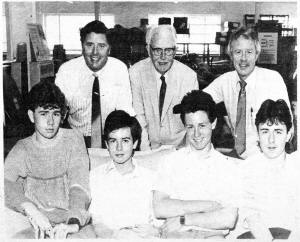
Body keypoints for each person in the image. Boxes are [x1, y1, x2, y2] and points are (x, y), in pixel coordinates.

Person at [4, 81, 91, 239]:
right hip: (34, 223)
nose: (50, 122)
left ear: (62, 115)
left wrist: (72, 223)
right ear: (32, 116)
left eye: (56, 113)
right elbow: (6, 184)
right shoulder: (22, 148)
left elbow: (79, 185)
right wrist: (30, 209)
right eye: (44, 113)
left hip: (72, 221)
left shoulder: (73, 140)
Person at [152, 90, 241, 239]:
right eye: (190, 127)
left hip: (211, 237)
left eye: (202, 126)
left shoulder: (228, 167)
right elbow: (160, 208)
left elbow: (228, 219)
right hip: (177, 236)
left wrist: (184, 219)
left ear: (213, 123)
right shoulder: (170, 161)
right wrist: (209, 205)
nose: (196, 134)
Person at [204, 26, 291, 159]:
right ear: (231, 55)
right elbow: (198, 100)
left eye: (249, 52)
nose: (243, 59)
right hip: (239, 156)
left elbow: (287, 126)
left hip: (267, 157)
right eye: (238, 52)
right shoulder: (225, 80)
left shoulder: (272, 80)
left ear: (257, 55)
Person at [55, 20, 134, 148]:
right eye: (89, 45)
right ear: (82, 46)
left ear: (109, 49)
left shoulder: (119, 69)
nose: (95, 52)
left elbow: (125, 114)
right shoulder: (66, 71)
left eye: (102, 46)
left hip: (111, 139)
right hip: (75, 139)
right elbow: (56, 113)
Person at [89, 110, 160, 238]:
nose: (119, 148)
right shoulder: (95, 176)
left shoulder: (150, 178)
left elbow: (158, 224)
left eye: (125, 140)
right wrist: (115, 235)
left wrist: (155, 232)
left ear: (135, 143)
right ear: (107, 144)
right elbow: (96, 222)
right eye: (113, 141)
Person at [238, 99, 300, 241]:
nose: (271, 140)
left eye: (278, 132)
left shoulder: (297, 165)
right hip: (258, 237)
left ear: (289, 134)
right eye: (265, 131)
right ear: (258, 134)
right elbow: (250, 215)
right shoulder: (247, 169)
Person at [129, 24, 198, 150]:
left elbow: (192, 123)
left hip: (179, 147)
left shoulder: (189, 77)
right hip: (146, 146)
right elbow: (139, 116)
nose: (163, 56)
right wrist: (147, 154)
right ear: (148, 50)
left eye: (168, 50)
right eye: (157, 50)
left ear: (175, 51)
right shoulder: (135, 72)